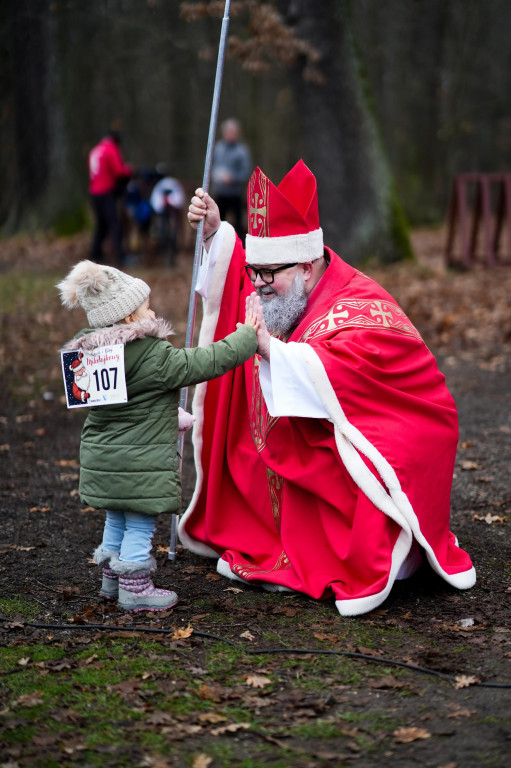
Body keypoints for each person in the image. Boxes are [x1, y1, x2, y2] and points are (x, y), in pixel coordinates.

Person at [180, 159, 476, 617]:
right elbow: (248, 273)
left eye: (267, 275)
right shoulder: (281, 283)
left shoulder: (359, 305)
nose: (256, 287)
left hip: (381, 440)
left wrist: (273, 353)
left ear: (306, 265)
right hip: (294, 454)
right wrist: (217, 235)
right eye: (254, 273)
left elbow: (350, 369)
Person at [57, 260, 261, 612]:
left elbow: (126, 405)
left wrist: (169, 415)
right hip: (140, 463)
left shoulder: (88, 357)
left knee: (116, 517)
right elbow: (205, 362)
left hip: (105, 459)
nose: (153, 312)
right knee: (139, 521)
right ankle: (135, 588)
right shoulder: (153, 355)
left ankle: (110, 582)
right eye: (146, 308)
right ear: (130, 319)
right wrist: (246, 338)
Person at [88, 130, 133, 264]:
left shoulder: (95, 150)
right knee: (115, 224)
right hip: (106, 192)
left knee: (102, 225)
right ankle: (120, 256)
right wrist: (129, 170)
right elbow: (119, 170)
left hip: (94, 193)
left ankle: (95, 253)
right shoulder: (110, 149)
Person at [211, 118, 252, 239]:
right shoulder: (218, 148)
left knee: (238, 225)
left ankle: (241, 251)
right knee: (217, 224)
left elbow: (246, 172)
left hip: (235, 194)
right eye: (227, 132)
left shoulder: (242, 151)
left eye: (232, 132)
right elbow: (211, 167)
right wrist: (216, 175)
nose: (229, 135)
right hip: (219, 193)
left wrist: (233, 178)